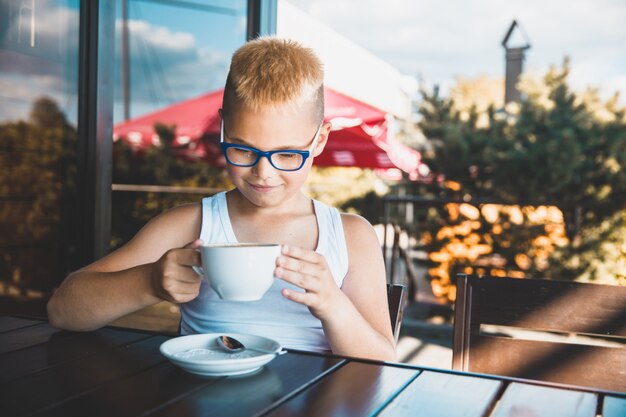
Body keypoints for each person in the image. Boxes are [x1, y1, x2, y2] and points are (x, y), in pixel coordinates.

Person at [47, 36, 396, 361]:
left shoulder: (350, 236)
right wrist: (149, 282)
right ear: (224, 129)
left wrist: (334, 305)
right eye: (243, 150)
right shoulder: (189, 225)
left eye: (288, 154)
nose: (264, 173)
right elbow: (62, 309)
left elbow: (384, 360)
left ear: (319, 141)